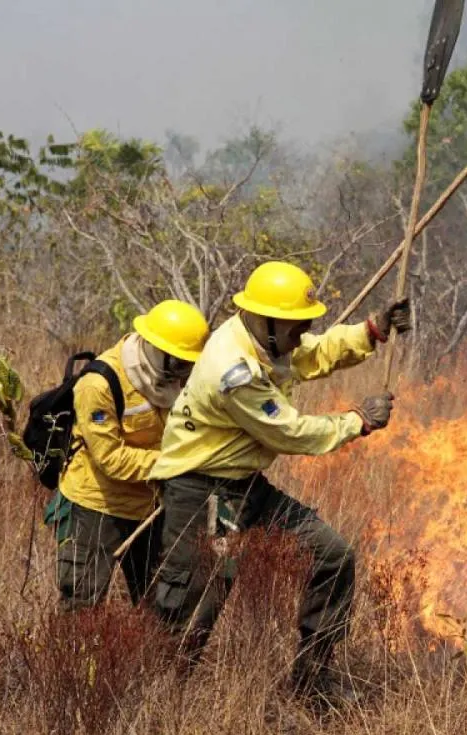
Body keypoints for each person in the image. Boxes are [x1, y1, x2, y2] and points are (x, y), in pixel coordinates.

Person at [148, 260, 409, 704]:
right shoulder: (234, 369)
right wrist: (357, 421)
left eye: (303, 325)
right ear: (265, 320)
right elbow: (288, 432)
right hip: (202, 491)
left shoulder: (262, 338)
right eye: (294, 327)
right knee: (198, 602)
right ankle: (156, 702)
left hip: (245, 486)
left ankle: (312, 683)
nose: (299, 334)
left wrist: (371, 331)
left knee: (333, 555)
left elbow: (310, 354)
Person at [46, 299, 210, 611]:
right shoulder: (99, 384)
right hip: (96, 507)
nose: (183, 372)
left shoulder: (176, 380)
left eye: (189, 364)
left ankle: (149, 660)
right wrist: (178, 464)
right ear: (153, 348)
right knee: (82, 604)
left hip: (151, 505)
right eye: (177, 362)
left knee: (161, 604)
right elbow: (111, 459)